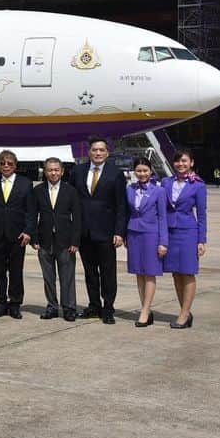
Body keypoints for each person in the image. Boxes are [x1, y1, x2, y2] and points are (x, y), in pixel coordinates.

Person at [70, 136, 127, 324]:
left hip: (106, 232)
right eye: (94, 150)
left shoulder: (115, 173)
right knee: (90, 272)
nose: (98, 153)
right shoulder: (78, 171)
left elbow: (121, 205)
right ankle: (94, 305)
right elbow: (71, 201)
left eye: (101, 150)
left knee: (108, 272)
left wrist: (119, 232)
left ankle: (108, 307)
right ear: (89, 152)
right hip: (84, 232)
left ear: (107, 153)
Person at [30, 157, 83, 321]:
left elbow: (78, 218)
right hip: (44, 241)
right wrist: (34, 239)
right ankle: (52, 307)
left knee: (67, 276)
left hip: (66, 242)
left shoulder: (71, 191)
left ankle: (69, 308)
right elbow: (32, 216)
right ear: (45, 172)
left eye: (56, 170)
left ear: (62, 171)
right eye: (49, 170)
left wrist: (75, 241)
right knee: (48, 277)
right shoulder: (37, 190)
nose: (53, 173)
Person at [0, 150, 34, 319]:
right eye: (2, 163)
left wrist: (28, 231)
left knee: (15, 270)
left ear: (15, 165)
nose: (6, 166)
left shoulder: (25, 183)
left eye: (10, 163)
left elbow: (30, 210)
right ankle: (1, 303)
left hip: (18, 234)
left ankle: (15, 303)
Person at [161, 150, 207, 329]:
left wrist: (201, 240)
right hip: (170, 232)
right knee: (175, 272)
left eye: (184, 161)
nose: (181, 164)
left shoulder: (198, 185)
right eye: (178, 161)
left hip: (188, 232)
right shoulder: (166, 182)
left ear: (191, 163)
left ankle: (183, 314)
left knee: (187, 272)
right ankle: (185, 311)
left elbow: (202, 215)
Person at [126, 158, 168, 327]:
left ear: (151, 172)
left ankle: (145, 310)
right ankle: (146, 308)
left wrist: (163, 242)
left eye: (145, 170)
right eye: (139, 171)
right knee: (138, 272)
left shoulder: (159, 191)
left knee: (149, 272)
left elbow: (163, 217)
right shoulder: (129, 189)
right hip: (134, 234)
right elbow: (126, 212)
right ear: (134, 172)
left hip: (151, 235)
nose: (142, 174)